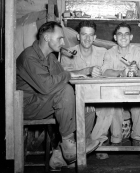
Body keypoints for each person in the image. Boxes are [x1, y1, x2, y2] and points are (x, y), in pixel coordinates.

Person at [16, 21, 100, 170]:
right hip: (27, 106)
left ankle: (70, 150)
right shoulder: (29, 56)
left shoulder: (50, 57)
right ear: (47, 37)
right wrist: (68, 76)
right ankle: (68, 145)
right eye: (60, 38)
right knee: (65, 91)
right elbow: (48, 85)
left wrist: (77, 74)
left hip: (43, 101)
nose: (62, 42)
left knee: (87, 107)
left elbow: (62, 76)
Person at [60, 20, 111, 161]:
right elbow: (64, 76)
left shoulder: (104, 52)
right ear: (78, 36)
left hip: (99, 94)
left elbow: (108, 70)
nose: (87, 39)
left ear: (95, 37)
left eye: (90, 35)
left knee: (108, 107)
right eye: (84, 35)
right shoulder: (68, 53)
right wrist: (87, 70)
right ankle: (82, 145)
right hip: (75, 95)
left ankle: (97, 143)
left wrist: (102, 71)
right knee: (86, 107)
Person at [101, 22, 140, 147]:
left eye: (126, 34)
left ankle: (138, 138)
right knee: (113, 106)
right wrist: (121, 73)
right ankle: (116, 140)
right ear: (115, 37)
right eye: (119, 34)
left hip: (135, 92)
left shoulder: (138, 51)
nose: (123, 37)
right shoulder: (110, 52)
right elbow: (105, 71)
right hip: (115, 93)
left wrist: (137, 71)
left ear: (131, 37)